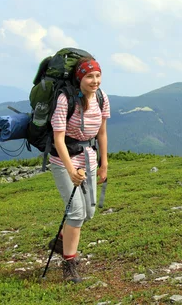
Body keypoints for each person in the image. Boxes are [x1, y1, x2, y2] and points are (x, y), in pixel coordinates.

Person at [47, 56, 110, 283]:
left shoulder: (102, 99)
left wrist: (104, 164)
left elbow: (101, 133)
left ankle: (61, 242)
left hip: (89, 159)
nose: (95, 81)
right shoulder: (66, 99)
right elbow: (59, 138)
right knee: (75, 212)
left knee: (89, 213)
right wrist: (70, 169)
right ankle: (69, 264)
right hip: (64, 160)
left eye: (98, 76)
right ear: (79, 78)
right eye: (89, 76)